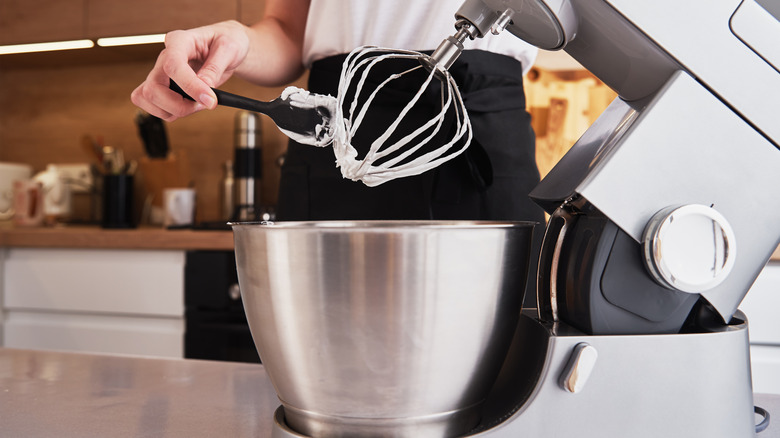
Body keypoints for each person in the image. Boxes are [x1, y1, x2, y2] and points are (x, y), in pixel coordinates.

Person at [131, 0, 545, 225]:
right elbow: (289, 31)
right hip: (336, 128)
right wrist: (238, 41)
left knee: (504, 355)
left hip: (476, 130)